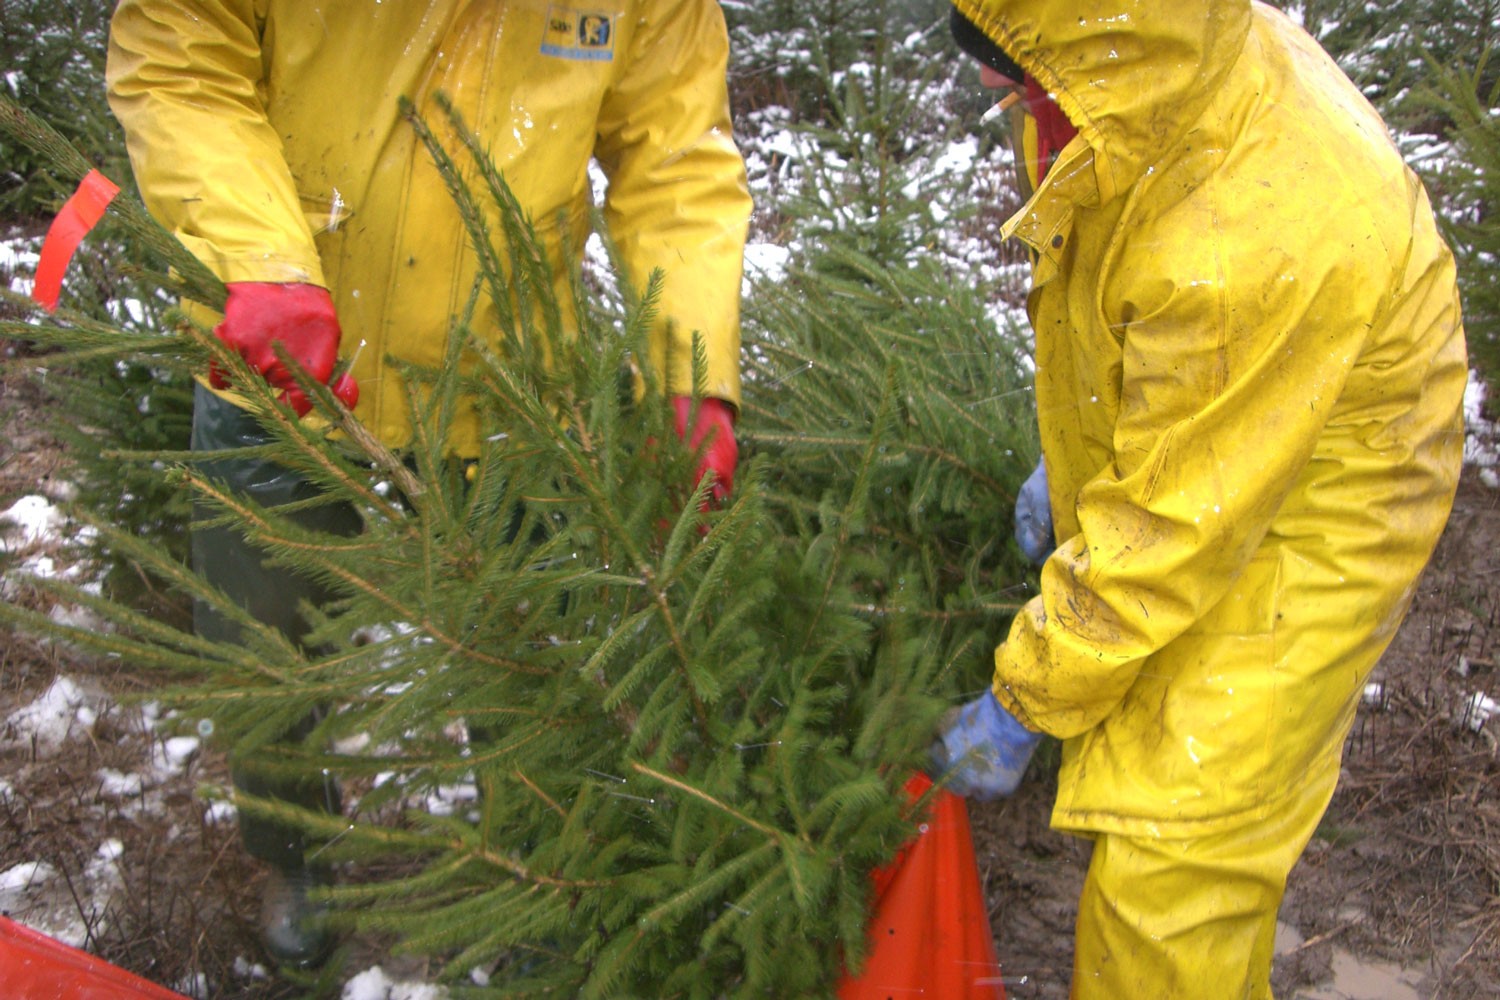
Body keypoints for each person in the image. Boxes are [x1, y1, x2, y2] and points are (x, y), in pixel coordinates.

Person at [105, 0, 751, 967]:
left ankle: (536, 892)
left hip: (511, 384)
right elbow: (178, 57)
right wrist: (260, 257)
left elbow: (676, 162)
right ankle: (296, 852)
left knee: (531, 659)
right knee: (262, 640)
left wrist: (690, 376)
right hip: (286, 364)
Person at [930, 2, 1468, 996]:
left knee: (1176, 852)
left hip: (1344, 473)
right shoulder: (1130, 75)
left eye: (1007, 68)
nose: (985, 86)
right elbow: (1131, 302)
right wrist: (1084, 450)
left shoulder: (1240, 232)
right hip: (1254, 386)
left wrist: (1023, 699)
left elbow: (1169, 529)